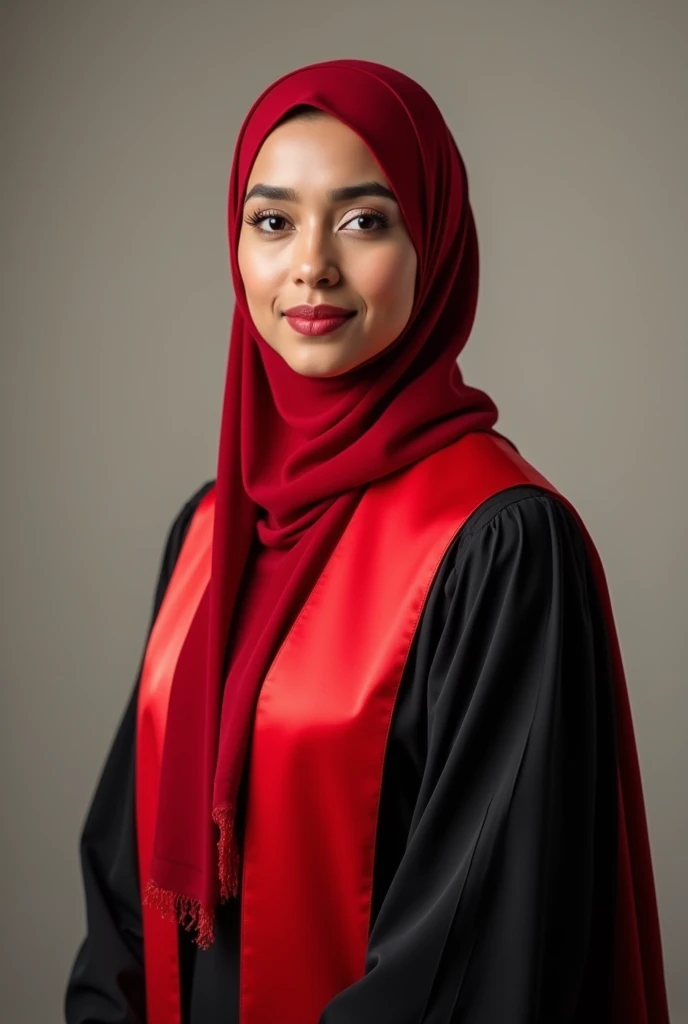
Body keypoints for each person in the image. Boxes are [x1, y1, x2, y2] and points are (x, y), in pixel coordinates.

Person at [64, 59, 670, 1024]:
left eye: (363, 220)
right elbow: (122, 894)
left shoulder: (500, 545)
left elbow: (478, 950)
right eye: (273, 221)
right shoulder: (210, 533)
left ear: (433, 244)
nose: (312, 264)